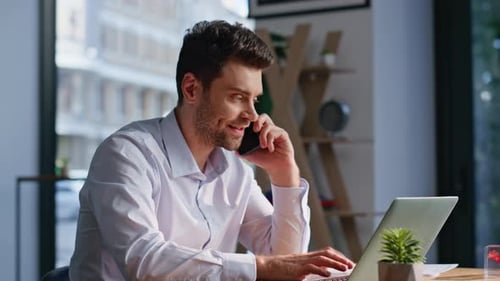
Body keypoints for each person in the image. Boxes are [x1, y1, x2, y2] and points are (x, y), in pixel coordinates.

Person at [69, 20, 354, 281]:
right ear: (192, 89)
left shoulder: (234, 172)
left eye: (254, 100)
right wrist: (261, 268)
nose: (252, 116)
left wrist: (284, 174)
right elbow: (143, 261)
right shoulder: (126, 155)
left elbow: (285, 260)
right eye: (237, 98)